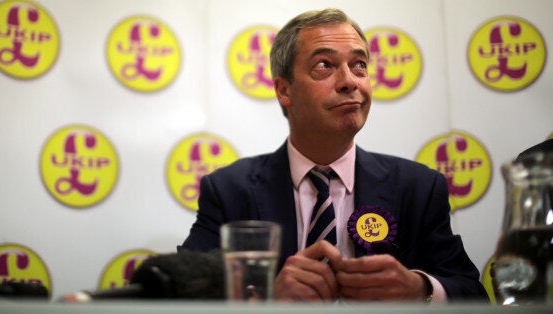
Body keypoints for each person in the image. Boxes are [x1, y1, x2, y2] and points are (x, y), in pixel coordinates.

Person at [181, 8, 487, 302]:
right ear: (284, 90)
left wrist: (419, 289)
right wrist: (264, 300)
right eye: (324, 65)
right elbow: (179, 293)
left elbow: (473, 295)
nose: (349, 81)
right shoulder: (229, 191)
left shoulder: (419, 188)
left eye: (359, 65)